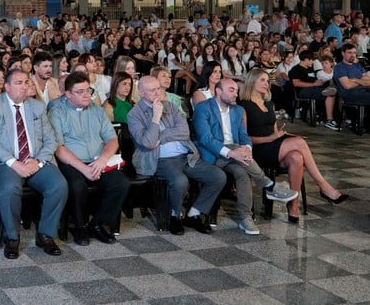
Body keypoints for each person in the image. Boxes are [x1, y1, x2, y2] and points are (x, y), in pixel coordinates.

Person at [192, 77, 299, 235]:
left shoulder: (238, 110)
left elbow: (244, 136)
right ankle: (269, 186)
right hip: (212, 155)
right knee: (236, 149)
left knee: (243, 173)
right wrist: (232, 152)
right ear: (218, 91)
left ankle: (245, 218)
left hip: (235, 157)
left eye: (236, 90)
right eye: (231, 90)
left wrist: (247, 148)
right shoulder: (203, 108)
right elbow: (205, 139)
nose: (236, 94)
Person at [0, 68, 68, 259]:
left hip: (34, 160)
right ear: (7, 87)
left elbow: (51, 140)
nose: (24, 87)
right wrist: (14, 163)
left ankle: (45, 234)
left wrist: (38, 161)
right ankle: (12, 238)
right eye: (18, 83)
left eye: (26, 82)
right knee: (9, 187)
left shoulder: (37, 106)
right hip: (4, 162)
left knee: (58, 184)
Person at [241, 68, 348, 222]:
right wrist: (270, 139)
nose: (267, 83)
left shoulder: (268, 103)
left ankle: (293, 206)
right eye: (262, 80)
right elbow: (244, 139)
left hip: (275, 146)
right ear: (252, 82)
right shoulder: (244, 106)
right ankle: (324, 187)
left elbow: (275, 130)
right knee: (299, 142)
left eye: (267, 80)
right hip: (258, 149)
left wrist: (284, 136)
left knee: (297, 157)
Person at [127, 76, 226, 236]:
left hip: (186, 156)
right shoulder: (134, 114)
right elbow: (147, 142)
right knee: (180, 181)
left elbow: (184, 131)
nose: (157, 92)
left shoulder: (170, 106)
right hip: (160, 160)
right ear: (141, 92)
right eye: (153, 90)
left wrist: (160, 137)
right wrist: (156, 117)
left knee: (218, 176)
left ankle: (194, 213)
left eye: (159, 88)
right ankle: (175, 215)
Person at [49, 71, 129, 246]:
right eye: (80, 91)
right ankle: (79, 226)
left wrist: (102, 160)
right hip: (71, 162)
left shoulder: (97, 110)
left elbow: (112, 139)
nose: (87, 95)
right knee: (77, 185)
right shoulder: (57, 111)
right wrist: (84, 169)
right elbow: (59, 148)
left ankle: (97, 224)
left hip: (98, 160)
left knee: (121, 182)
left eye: (88, 90)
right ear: (68, 94)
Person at [289, 50, 337, 129]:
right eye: (312, 60)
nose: (313, 62)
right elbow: (296, 83)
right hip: (302, 91)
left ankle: (327, 117)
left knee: (332, 91)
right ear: (306, 59)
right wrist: (314, 84)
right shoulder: (296, 69)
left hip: (314, 88)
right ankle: (329, 120)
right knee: (330, 93)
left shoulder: (310, 69)